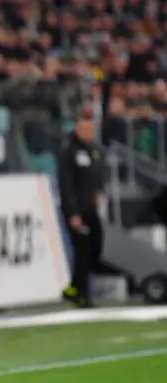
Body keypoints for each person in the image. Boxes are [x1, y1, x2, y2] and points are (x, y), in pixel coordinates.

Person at [59, 114, 106, 308]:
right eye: (87, 129)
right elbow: (66, 185)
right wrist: (73, 213)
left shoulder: (93, 150)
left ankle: (74, 287)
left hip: (91, 209)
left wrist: (100, 191)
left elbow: (99, 173)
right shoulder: (69, 152)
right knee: (83, 251)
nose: (90, 133)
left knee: (96, 247)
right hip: (77, 210)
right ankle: (83, 295)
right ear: (79, 128)